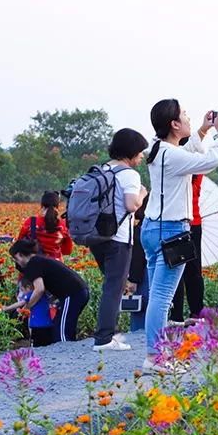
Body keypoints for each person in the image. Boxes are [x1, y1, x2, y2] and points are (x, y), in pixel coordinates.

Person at [142, 100, 218, 374]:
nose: (189, 117)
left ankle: (157, 354)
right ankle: (155, 358)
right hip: (170, 230)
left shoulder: (158, 149)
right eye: (184, 115)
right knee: (161, 297)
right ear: (174, 124)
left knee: (158, 296)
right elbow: (211, 160)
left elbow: (187, 151)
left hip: (151, 228)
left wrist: (203, 130)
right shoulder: (171, 155)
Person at [89, 128, 149, 353]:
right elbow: (132, 205)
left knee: (111, 286)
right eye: (140, 152)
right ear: (131, 152)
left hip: (97, 237)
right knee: (113, 288)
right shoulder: (130, 175)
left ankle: (106, 334)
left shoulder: (103, 168)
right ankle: (104, 338)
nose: (141, 157)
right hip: (118, 239)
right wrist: (143, 193)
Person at [9, 239, 89, 343]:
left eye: (15, 259)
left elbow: (39, 289)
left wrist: (27, 308)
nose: (17, 262)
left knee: (62, 332)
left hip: (72, 294)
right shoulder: (39, 260)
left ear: (19, 254)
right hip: (78, 292)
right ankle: (69, 351)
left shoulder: (33, 264)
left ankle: (65, 353)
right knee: (63, 325)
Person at [170, 173, 205, 324]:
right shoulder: (197, 167)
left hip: (175, 220)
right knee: (194, 270)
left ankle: (176, 315)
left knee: (175, 268)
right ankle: (197, 313)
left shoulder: (176, 165)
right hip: (193, 221)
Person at [16, 191, 73, 261]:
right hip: (56, 267)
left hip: (33, 265)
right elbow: (67, 251)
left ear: (42, 206)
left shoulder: (31, 222)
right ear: (57, 206)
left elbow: (19, 243)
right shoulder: (63, 225)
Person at [1, 278, 55, 347]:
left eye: (22, 290)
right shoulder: (43, 295)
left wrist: (7, 308)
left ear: (28, 287)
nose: (22, 293)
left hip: (38, 326)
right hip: (48, 325)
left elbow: (21, 303)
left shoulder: (31, 294)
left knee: (38, 347)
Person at [126, 197, 149, 333]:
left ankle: (138, 332)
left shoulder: (139, 230)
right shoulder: (156, 230)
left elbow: (137, 258)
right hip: (150, 272)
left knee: (140, 306)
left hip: (141, 275)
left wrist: (133, 279)